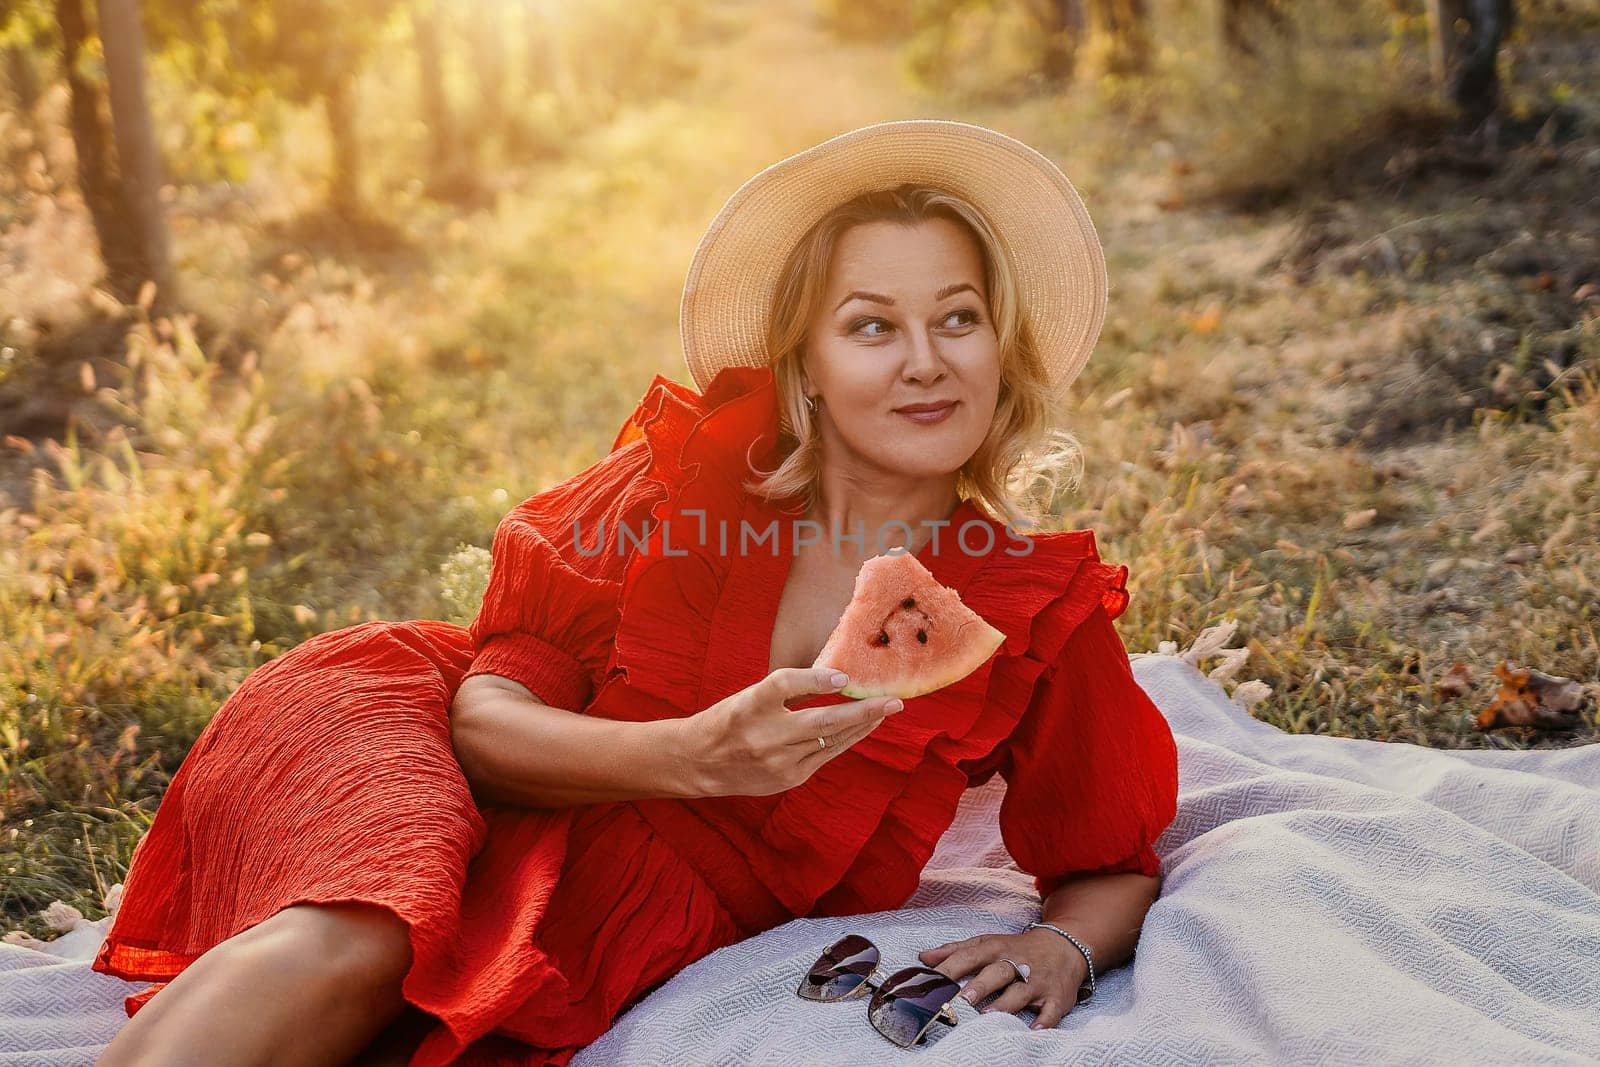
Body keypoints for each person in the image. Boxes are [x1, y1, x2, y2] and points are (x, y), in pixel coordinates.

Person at [90, 119, 1180, 1067]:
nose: (924, 362)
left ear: (1001, 347)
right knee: (363, 936)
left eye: (957, 318)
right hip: (415, 737)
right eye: (869, 325)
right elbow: (483, 720)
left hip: (622, 910)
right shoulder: (683, 483)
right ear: (803, 364)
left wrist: (1065, 941)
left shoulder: (1027, 609)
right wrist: (692, 754)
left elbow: (1104, 859)